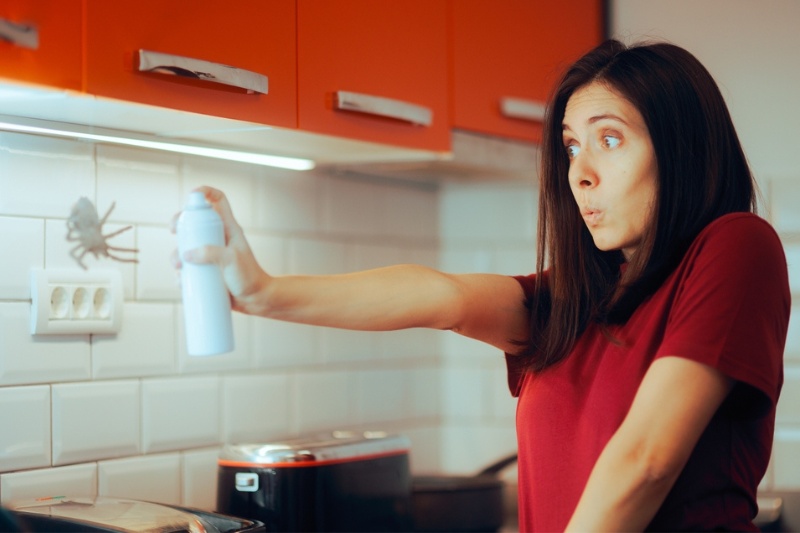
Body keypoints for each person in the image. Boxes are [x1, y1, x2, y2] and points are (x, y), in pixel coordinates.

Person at [173, 39, 790, 532]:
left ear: (681, 148)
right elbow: (441, 296)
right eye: (571, 147)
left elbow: (646, 461)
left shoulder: (735, 246)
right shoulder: (577, 301)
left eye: (610, 139)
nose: (580, 173)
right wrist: (262, 292)